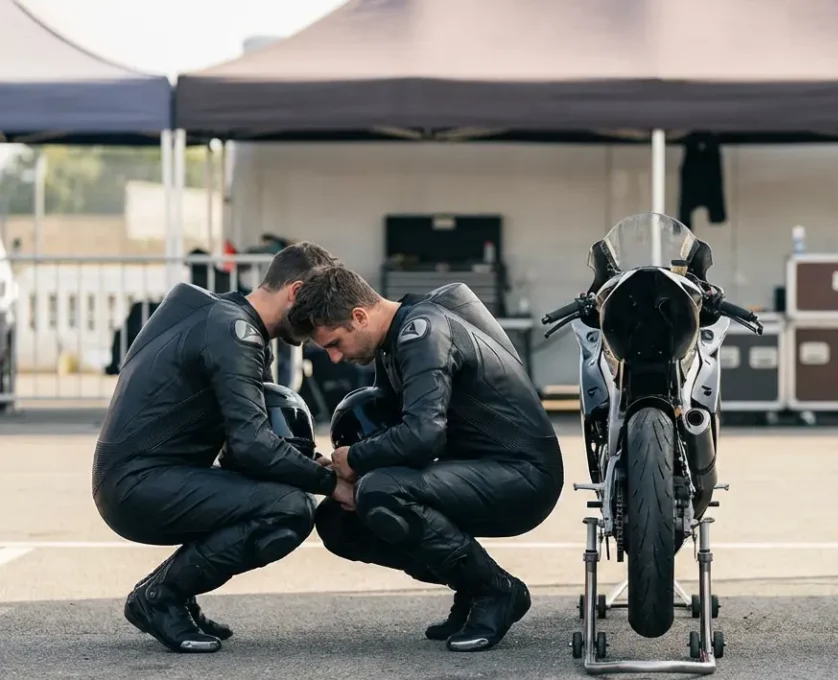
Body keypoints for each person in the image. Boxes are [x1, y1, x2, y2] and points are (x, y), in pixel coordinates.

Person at [92, 242, 355, 654]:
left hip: (139, 476)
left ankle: (174, 594)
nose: (318, 325)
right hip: (138, 485)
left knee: (273, 494)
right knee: (288, 509)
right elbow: (251, 447)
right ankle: (161, 598)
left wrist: (306, 462)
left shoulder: (220, 316)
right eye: (317, 306)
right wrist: (329, 483)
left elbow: (241, 442)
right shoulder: (236, 332)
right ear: (295, 291)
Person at [286, 265, 564, 652]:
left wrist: (357, 458)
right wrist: (339, 470)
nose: (333, 358)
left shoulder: (423, 332)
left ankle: (495, 591)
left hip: (522, 476)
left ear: (359, 316)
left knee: (382, 491)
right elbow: (397, 429)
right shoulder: (394, 339)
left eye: (333, 343)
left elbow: (423, 436)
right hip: (472, 470)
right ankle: (469, 586)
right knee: (338, 521)